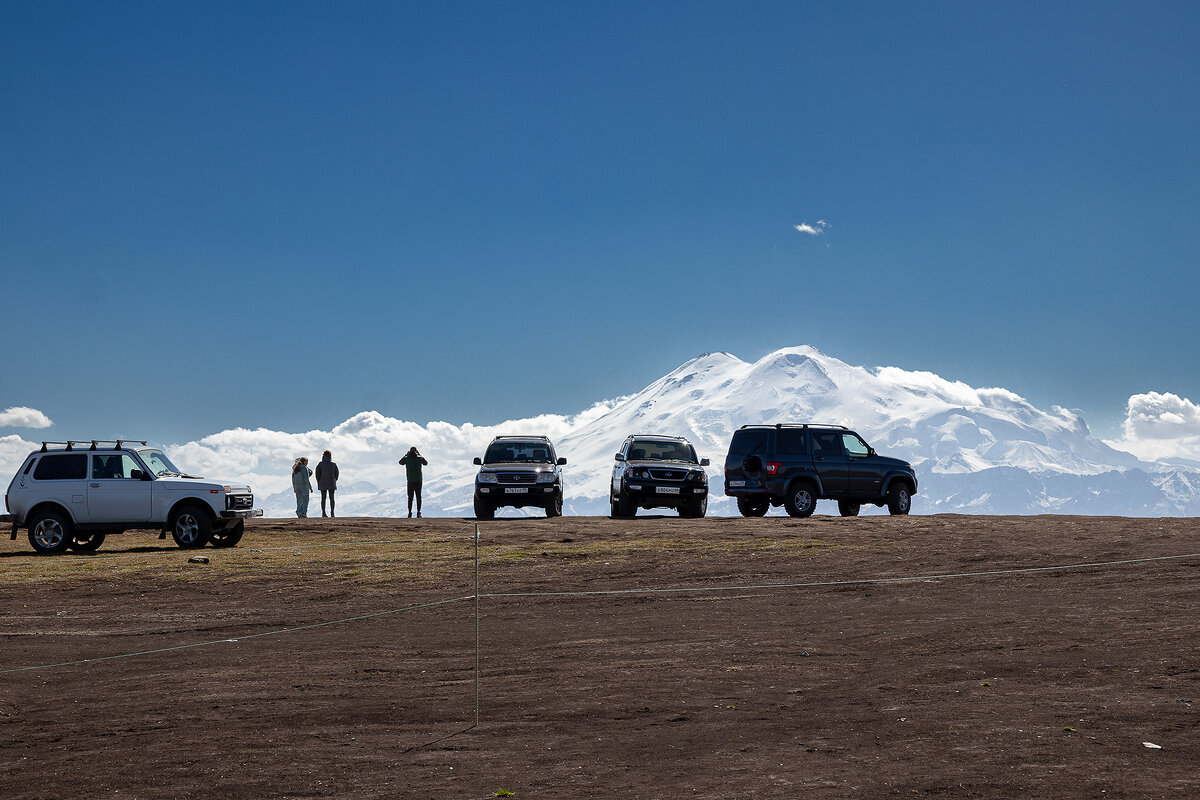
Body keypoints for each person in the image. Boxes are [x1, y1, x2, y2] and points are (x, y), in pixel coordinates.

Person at [398, 446, 428, 518]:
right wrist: (419, 454)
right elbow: (425, 463)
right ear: (416, 452)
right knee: (418, 497)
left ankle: (409, 513)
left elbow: (400, 462)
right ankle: (418, 512)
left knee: (410, 498)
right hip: (418, 480)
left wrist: (406, 455)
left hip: (410, 481)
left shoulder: (407, 459)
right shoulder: (419, 458)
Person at [314, 449, 340, 518]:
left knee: (323, 498)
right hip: (331, 483)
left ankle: (323, 513)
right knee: (332, 498)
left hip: (322, 483)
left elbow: (317, 474)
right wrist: (334, 480)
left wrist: (319, 481)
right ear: (330, 456)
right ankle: (332, 513)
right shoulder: (333, 465)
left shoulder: (320, 464)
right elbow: (337, 474)